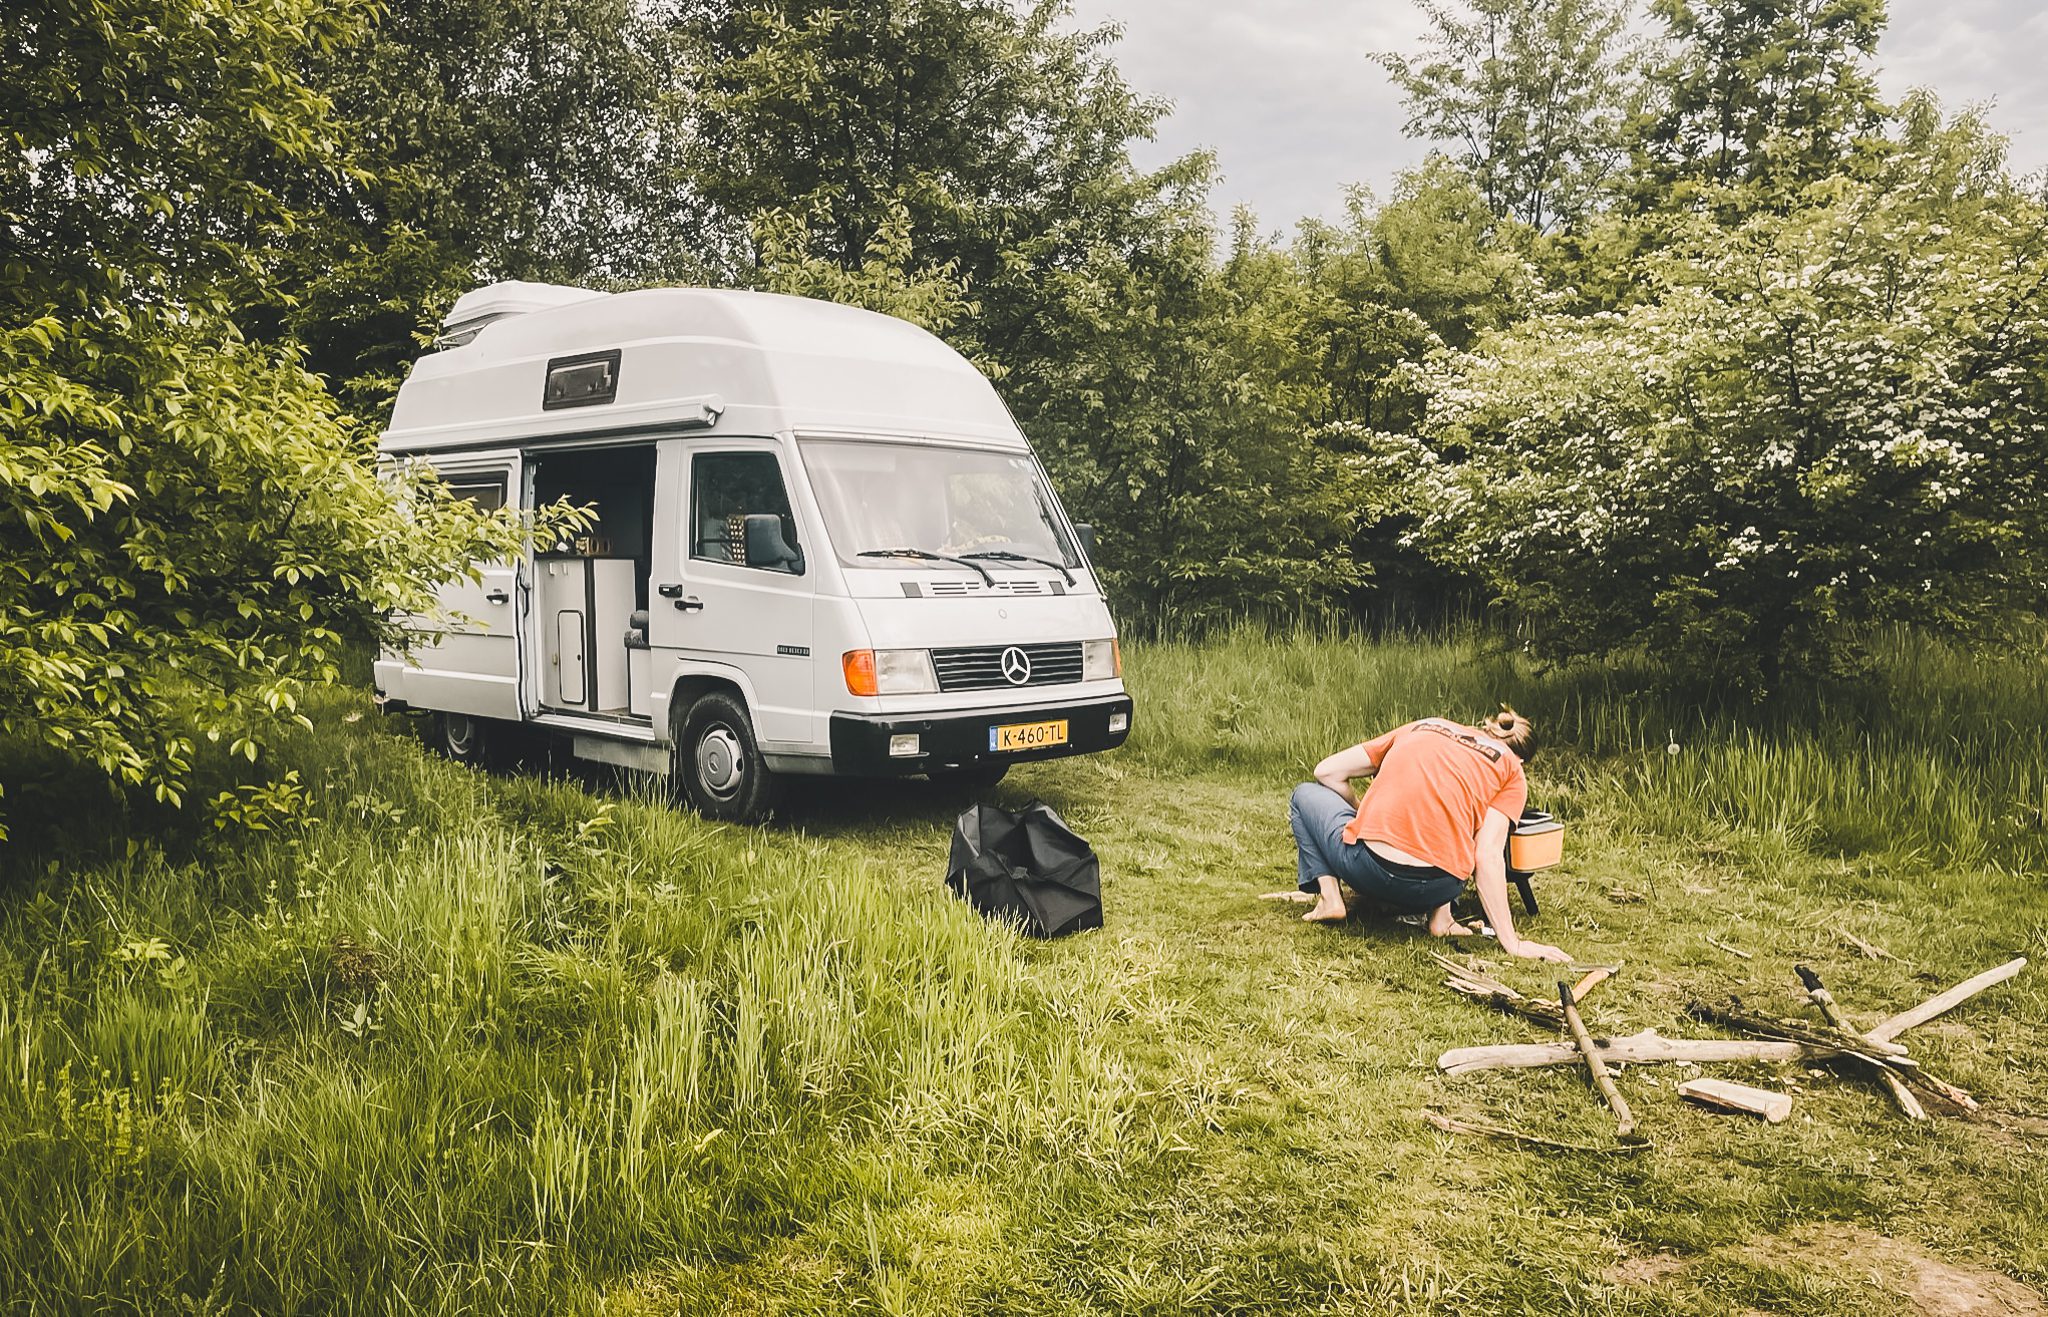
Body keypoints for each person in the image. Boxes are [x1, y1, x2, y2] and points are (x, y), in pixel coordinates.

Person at [1287, 707, 1571, 963]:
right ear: (1521, 759)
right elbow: (1487, 854)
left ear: (1483, 728)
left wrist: (1361, 811)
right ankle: (1441, 919)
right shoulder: (1510, 769)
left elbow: (1327, 772)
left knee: (1304, 793)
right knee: (1461, 813)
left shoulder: (1425, 725)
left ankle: (1330, 899)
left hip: (1371, 869)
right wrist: (1513, 942)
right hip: (1440, 886)